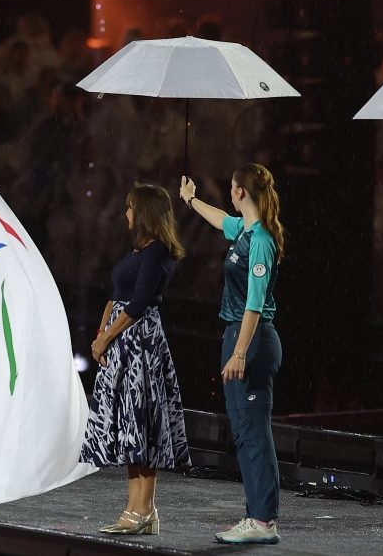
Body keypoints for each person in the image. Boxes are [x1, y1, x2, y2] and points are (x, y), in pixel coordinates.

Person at [180, 164, 287, 546]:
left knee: (253, 431)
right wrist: (191, 200)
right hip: (240, 339)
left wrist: (240, 352)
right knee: (245, 432)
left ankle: (262, 519)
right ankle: (258, 515)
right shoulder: (243, 230)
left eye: (231, 187)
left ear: (241, 191)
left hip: (252, 343)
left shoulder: (260, 241)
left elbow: (255, 305)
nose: (229, 194)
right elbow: (221, 219)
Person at [81, 184, 190, 536]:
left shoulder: (158, 252)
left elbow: (138, 304)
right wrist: (101, 337)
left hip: (141, 344)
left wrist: (107, 337)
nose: (126, 214)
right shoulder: (137, 251)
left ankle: (143, 509)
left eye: (129, 208)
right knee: (128, 427)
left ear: (143, 212)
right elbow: (116, 298)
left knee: (141, 423)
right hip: (120, 343)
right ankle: (136, 508)